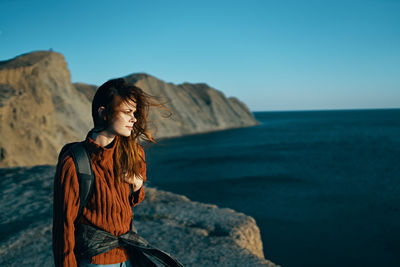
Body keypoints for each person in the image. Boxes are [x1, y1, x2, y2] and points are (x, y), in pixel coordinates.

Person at [52, 78, 161, 267]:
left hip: (129, 257)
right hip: (95, 262)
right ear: (103, 113)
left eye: (134, 113)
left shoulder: (134, 154)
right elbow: (63, 227)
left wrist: (137, 186)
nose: (133, 119)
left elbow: (130, 202)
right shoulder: (74, 163)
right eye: (127, 112)